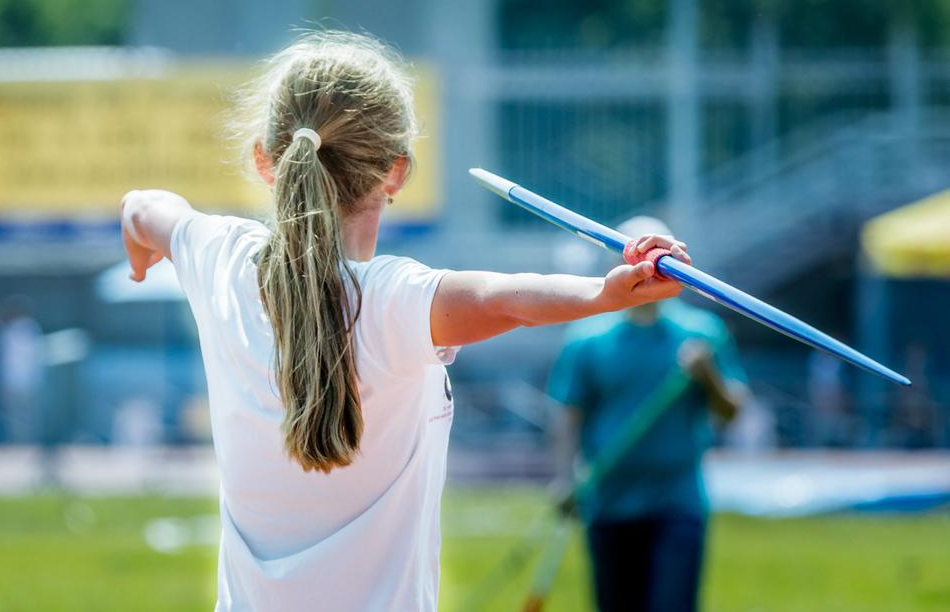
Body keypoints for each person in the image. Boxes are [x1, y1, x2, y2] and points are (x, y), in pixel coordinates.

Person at [119, 31, 692, 612]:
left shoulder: (221, 256)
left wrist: (141, 245)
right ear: (396, 173)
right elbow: (504, 299)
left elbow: (144, 207)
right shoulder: (391, 298)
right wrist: (604, 291)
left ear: (266, 161)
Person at [548, 216, 747, 612]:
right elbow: (568, 414)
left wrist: (708, 376)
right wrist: (565, 478)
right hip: (609, 500)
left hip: (676, 501)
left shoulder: (702, 333)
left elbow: (732, 413)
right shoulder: (588, 339)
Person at [0, 295, 44, 445]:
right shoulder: (31, 329)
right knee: (25, 415)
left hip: (13, 380)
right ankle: (24, 442)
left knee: (16, 415)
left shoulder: (9, 332)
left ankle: (20, 442)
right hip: (26, 380)